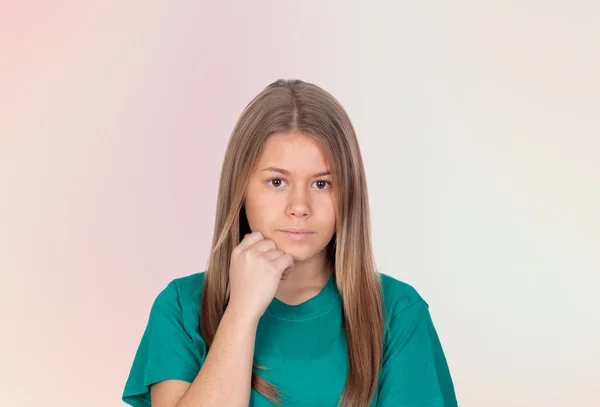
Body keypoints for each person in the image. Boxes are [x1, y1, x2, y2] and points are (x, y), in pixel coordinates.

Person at [122, 79, 458, 407]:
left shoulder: (398, 312)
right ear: (241, 190)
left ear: (348, 193)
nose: (299, 206)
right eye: (277, 181)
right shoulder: (181, 308)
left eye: (322, 184)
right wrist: (241, 312)